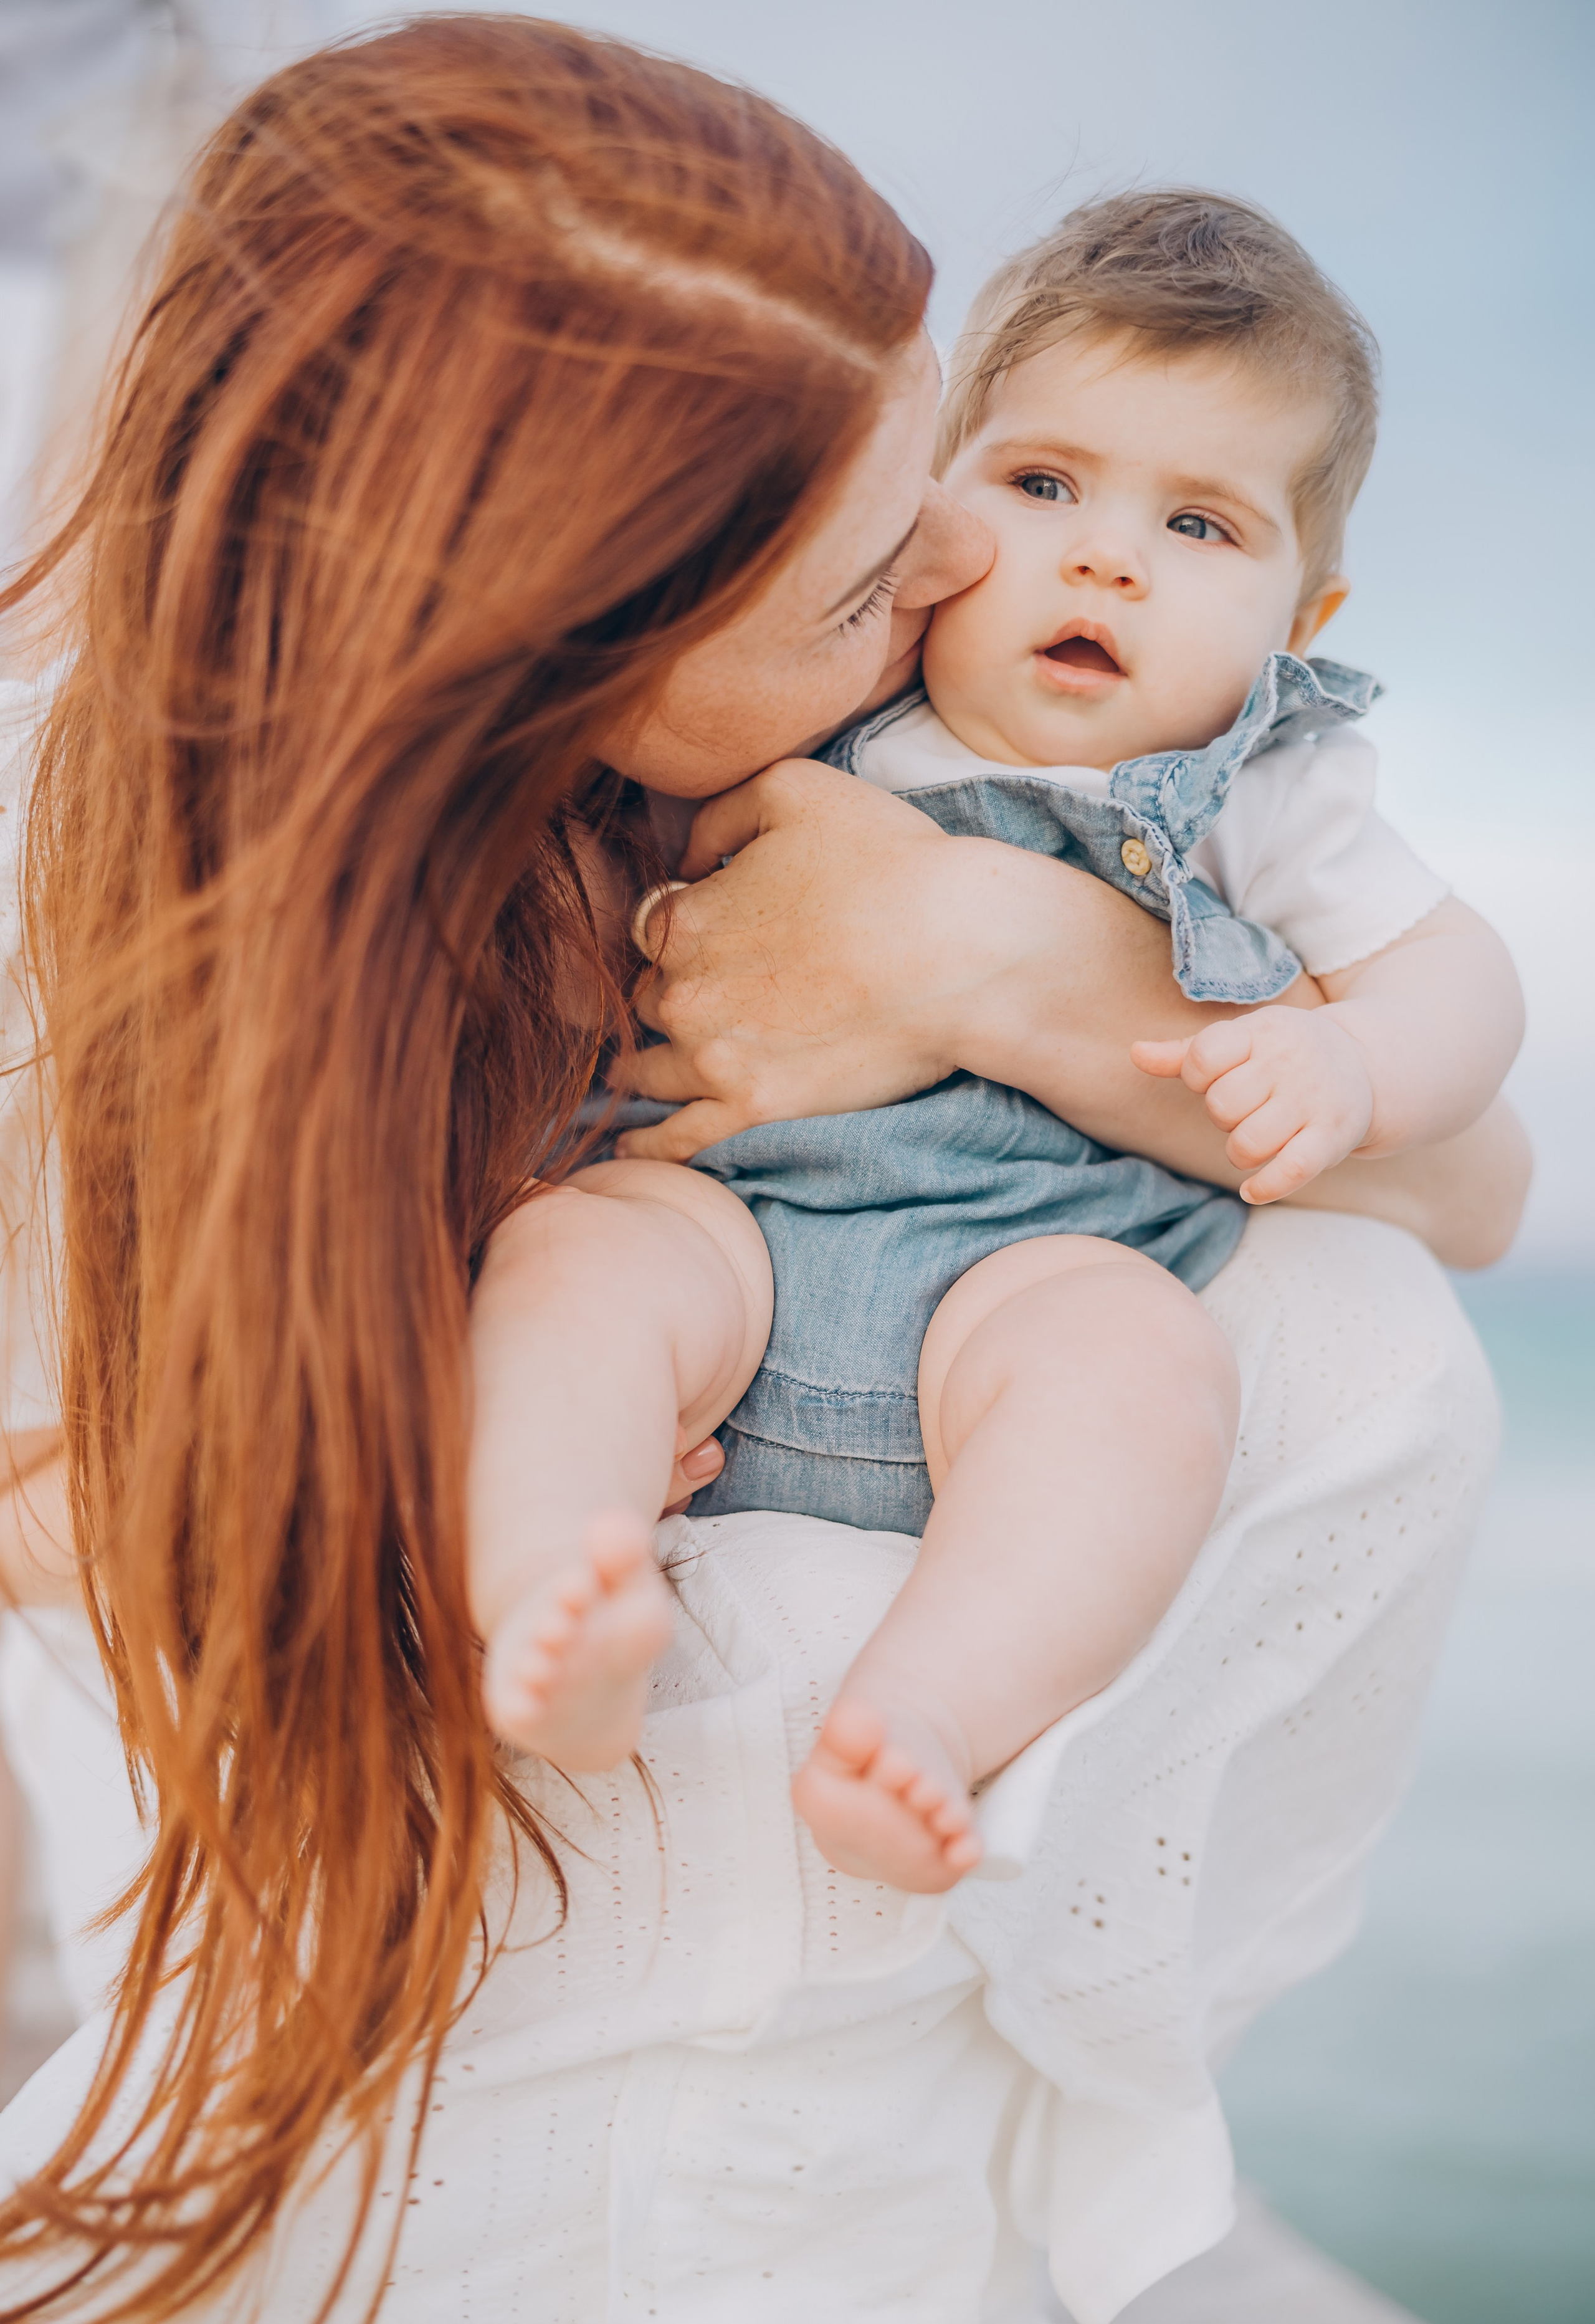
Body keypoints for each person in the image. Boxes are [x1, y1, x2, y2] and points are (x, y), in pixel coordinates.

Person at [0, 18, 1525, 2321]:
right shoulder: (118, 958)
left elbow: (1473, 1179)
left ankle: (911, 1701)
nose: (959, 558)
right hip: (391, 2113)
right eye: (860, 575)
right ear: (556, 653)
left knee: (1279, 1331)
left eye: (927, 456)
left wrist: (991, 956)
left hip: (857, 2132)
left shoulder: (915, 785)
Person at [469, 191, 1523, 1894]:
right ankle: (552, 1594)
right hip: (728, 1252)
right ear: (936, 514)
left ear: (1299, 624)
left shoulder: (1271, 786)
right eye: (1044, 486)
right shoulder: (835, 690)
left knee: (1139, 1371)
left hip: (1015, 1298)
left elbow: (1464, 980)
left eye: (1201, 524)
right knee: (571, 1257)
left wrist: (1358, 1064)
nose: (1105, 556)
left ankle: (928, 1717)